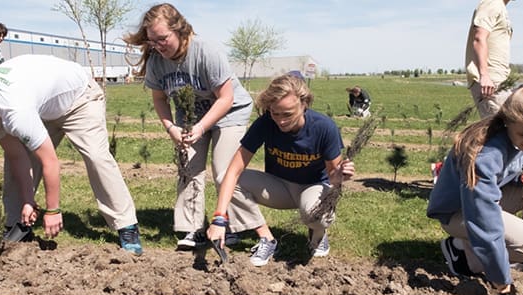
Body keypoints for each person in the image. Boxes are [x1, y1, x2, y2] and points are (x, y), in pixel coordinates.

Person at [0, 54, 143, 254]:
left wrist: (52, 211)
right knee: (13, 170)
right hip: (42, 106)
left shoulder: (15, 112)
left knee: (97, 157)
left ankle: (126, 226)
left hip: (79, 98)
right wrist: (27, 200)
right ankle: (16, 225)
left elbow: (50, 161)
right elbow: (18, 158)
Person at [122, 3, 253, 250]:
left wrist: (202, 127)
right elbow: (160, 99)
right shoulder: (156, 62)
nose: (158, 46)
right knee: (188, 166)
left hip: (229, 112)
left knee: (223, 169)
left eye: (163, 39)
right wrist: (171, 127)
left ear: (180, 30)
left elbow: (226, 98)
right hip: (190, 118)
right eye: (152, 41)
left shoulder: (206, 51)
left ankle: (233, 225)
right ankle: (192, 229)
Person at [427, 86, 523, 295]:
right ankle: (462, 253)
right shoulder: (486, 153)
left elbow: (512, 169)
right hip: (459, 212)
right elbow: (483, 217)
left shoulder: (513, 134)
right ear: (508, 121)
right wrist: (502, 282)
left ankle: (483, 253)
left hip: (486, 199)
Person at [206, 74, 355, 267]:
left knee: (314, 214)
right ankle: (267, 239)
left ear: (304, 104)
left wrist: (341, 176)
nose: (281, 121)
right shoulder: (266, 123)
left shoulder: (324, 128)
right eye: (276, 113)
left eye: (288, 114)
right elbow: (234, 170)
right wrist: (219, 218)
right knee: (223, 177)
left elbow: (333, 179)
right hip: (280, 187)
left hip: (314, 187)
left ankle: (317, 235)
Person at [465, 0, 514, 119]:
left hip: (499, 79)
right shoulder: (491, 3)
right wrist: (485, 76)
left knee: (505, 128)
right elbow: (479, 38)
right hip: (490, 81)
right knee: (498, 129)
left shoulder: (500, 7)